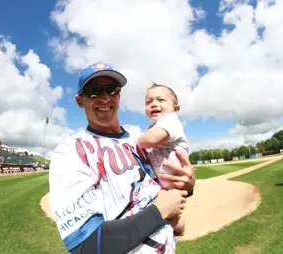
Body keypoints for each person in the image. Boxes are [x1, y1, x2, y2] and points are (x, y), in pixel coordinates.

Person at [48, 62, 195, 254]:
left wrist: (189, 185)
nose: (105, 97)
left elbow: (163, 182)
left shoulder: (138, 139)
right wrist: (160, 211)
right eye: (94, 91)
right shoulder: (70, 153)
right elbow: (85, 246)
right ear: (79, 100)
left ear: (119, 95)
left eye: (112, 89)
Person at [137, 83, 189, 236]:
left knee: (175, 221)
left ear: (175, 108)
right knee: (170, 217)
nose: (154, 104)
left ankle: (178, 230)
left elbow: (148, 141)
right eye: (149, 102)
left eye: (161, 100)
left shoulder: (170, 121)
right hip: (164, 183)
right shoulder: (157, 125)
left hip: (172, 182)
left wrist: (138, 141)